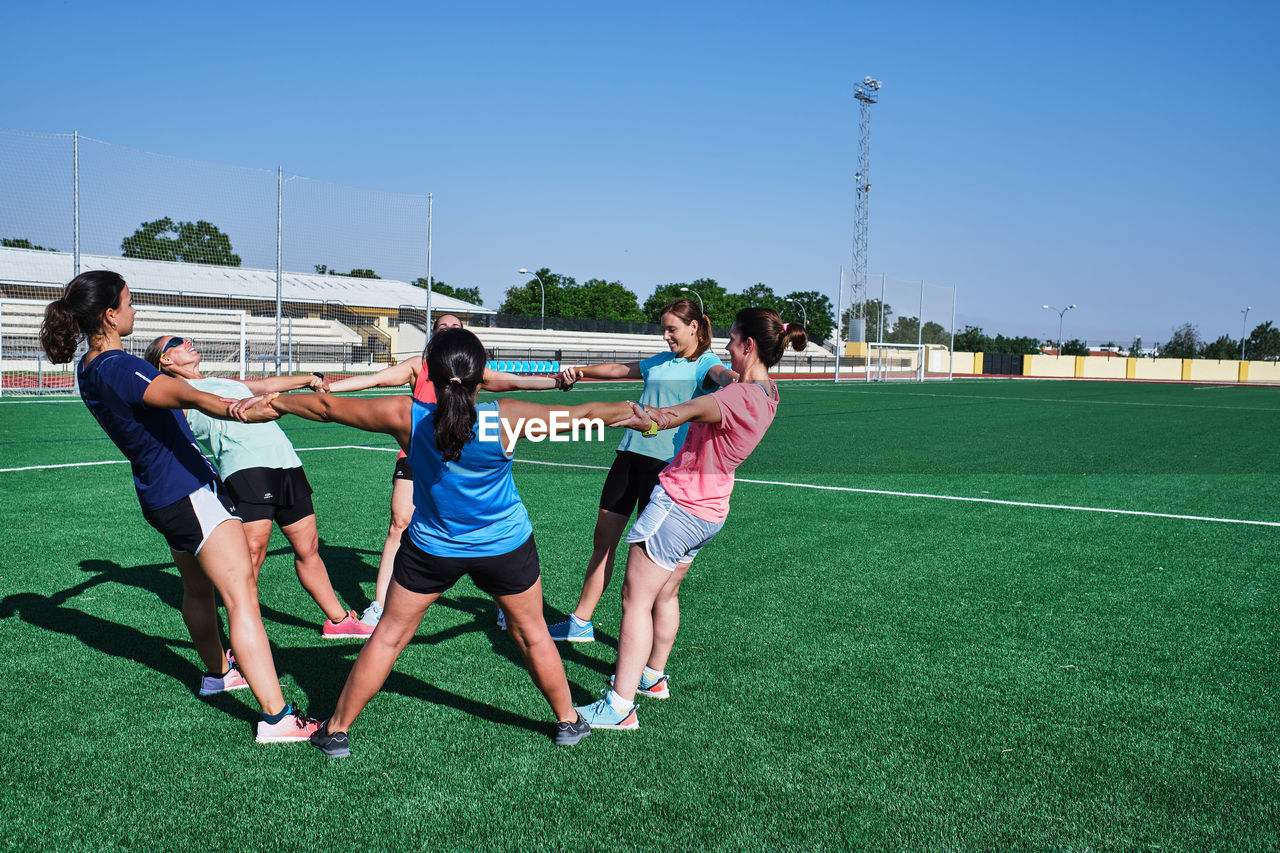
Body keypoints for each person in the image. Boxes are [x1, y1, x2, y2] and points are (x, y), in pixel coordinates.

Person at [252, 327, 659, 755]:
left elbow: (324, 406)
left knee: (388, 636)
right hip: (505, 548)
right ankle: (568, 721)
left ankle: (336, 730)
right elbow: (586, 414)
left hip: (432, 550)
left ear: (428, 371)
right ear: (482, 376)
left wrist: (275, 401)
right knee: (534, 634)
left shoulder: (406, 415)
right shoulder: (507, 416)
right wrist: (636, 413)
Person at [39, 271, 319, 744]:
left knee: (196, 589)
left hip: (162, 496)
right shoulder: (117, 366)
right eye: (129, 303)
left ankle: (218, 674)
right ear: (108, 314)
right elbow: (183, 393)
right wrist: (232, 407)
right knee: (242, 596)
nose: (135, 311)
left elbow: (174, 392)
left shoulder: (88, 366)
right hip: (187, 492)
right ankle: (277, 718)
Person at [575, 308, 806, 730]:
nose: (727, 347)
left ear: (749, 346)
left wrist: (648, 417)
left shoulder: (735, 397)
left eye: (733, 340)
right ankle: (652, 677)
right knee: (665, 595)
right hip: (710, 512)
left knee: (636, 599)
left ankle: (620, 706)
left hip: (679, 507)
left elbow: (677, 414)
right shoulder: (770, 392)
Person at [326, 313, 566, 628]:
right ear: (434, 335)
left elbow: (514, 381)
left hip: (465, 454)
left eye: (456, 327)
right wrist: (330, 387)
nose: (449, 330)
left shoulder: (472, 369)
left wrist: (556, 380)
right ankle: (379, 605)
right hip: (419, 453)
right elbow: (376, 379)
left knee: (483, 528)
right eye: (443, 327)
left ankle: (507, 605)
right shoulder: (418, 365)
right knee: (399, 524)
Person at [144, 335, 373, 639]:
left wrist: (309, 378)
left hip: (286, 462)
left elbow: (267, 385)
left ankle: (338, 620)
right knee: (252, 555)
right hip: (246, 468)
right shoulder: (178, 393)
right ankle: (246, 639)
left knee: (309, 548)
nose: (188, 341)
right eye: (176, 341)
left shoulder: (221, 380)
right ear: (165, 360)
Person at [546, 298, 735, 643]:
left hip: (666, 468)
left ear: (694, 327)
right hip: (630, 455)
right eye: (664, 329)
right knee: (603, 540)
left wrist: (741, 379)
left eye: (672, 329)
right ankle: (580, 622)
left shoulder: (706, 364)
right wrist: (582, 371)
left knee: (649, 562)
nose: (666, 336)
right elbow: (619, 370)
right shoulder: (660, 361)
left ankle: (643, 647)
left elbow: (724, 378)